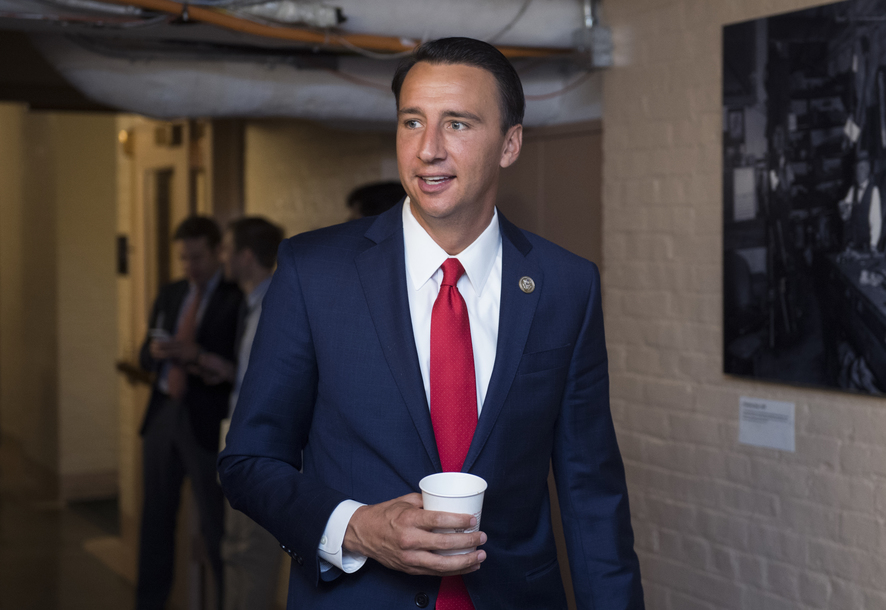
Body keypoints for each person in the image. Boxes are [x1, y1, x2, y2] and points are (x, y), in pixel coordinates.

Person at [219, 37, 643, 609]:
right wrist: (356, 527)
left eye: (459, 124)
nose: (428, 150)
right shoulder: (314, 272)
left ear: (510, 143)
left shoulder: (567, 286)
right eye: (412, 122)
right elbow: (248, 462)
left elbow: (592, 498)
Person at [137, 216, 243, 610]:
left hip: (206, 421)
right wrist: (157, 352)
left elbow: (240, 365)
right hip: (164, 413)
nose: (190, 267)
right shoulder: (171, 293)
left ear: (218, 252)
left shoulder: (235, 299)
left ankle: (223, 602)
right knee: (156, 521)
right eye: (184, 259)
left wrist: (195, 356)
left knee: (217, 526)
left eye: (197, 258)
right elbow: (144, 354)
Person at [197, 217, 286, 610]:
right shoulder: (252, 305)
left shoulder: (274, 307)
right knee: (234, 549)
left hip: (258, 453)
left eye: (226, 249)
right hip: (241, 444)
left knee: (248, 554)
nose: (221, 258)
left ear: (246, 257)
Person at [838, 151, 882, 252]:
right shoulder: (852, 190)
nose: (858, 172)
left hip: (866, 244)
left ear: (867, 170)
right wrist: (842, 209)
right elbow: (845, 217)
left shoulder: (874, 191)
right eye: (857, 168)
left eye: (861, 168)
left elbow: (876, 221)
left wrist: (873, 244)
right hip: (852, 242)